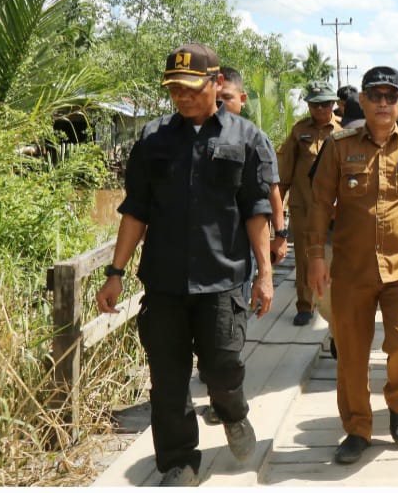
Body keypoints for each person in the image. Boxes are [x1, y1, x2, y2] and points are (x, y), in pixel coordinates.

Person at [95, 44, 278, 487]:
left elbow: (256, 210)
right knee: (168, 380)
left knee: (222, 367)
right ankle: (180, 461)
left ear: (216, 84)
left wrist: (265, 274)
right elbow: (136, 209)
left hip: (223, 279)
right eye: (174, 89)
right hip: (165, 282)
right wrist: (115, 273)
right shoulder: (154, 139)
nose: (182, 97)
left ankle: (232, 412)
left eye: (191, 88)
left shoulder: (245, 137)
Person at [305, 65, 398, 465]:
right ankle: (357, 427)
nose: (383, 103)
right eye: (375, 96)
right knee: (351, 353)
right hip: (351, 268)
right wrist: (316, 257)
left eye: (391, 96)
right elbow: (318, 206)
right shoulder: (338, 145)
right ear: (362, 101)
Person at [276, 80, 341, 326]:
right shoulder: (298, 131)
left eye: (325, 104)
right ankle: (305, 304)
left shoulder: (343, 132)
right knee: (305, 257)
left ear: (333, 104)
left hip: (336, 208)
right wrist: (278, 212)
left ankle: (334, 300)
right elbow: (284, 174)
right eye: (314, 105)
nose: (320, 109)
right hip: (304, 206)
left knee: (335, 255)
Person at [218, 67, 289, 267]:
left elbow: (272, 189)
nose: (220, 104)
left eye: (227, 97)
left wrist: (280, 234)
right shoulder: (196, 136)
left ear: (242, 99)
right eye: (216, 98)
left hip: (243, 241)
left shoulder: (254, 138)